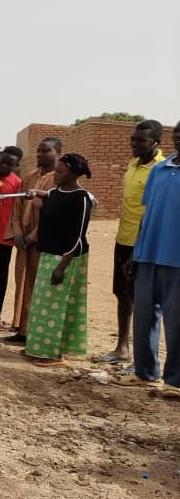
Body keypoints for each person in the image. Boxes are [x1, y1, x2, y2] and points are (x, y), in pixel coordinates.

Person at [94, 121, 166, 367]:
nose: (134, 144)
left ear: (156, 142)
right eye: (132, 139)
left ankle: (142, 360)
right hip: (123, 239)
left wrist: (138, 248)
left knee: (144, 300)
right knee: (122, 294)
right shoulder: (133, 164)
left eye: (140, 140)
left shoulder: (160, 169)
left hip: (145, 245)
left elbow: (153, 212)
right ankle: (122, 348)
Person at [122, 121, 180, 397]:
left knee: (176, 322)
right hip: (149, 255)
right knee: (144, 317)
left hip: (176, 260)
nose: (179, 138)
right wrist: (136, 252)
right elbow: (148, 214)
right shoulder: (160, 169)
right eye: (177, 133)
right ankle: (145, 373)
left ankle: (175, 381)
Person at [23, 154, 94, 367]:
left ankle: (53, 354)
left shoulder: (82, 198)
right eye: (56, 171)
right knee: (41, 306)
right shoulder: (56, 192)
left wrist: (61, 268)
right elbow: (51, 195)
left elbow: (78, 236)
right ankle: (38, 347)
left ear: (74, 173)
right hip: (48, 255)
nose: (56, 175)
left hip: (66, 259)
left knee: (55, 308)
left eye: (61, 172)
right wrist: (37, 192)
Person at [6, 138, 62, 343]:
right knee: (24, 284)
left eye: (45, 151)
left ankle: (38, 332)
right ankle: (23, 330)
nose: (39, 154)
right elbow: (17, 207)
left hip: (43, 242)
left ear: (57, 153)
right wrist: (17, 233)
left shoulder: (59, 179)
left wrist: (33, 236)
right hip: (24, 241)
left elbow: (53, 214)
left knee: (41, 285)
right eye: (38, 150)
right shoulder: (29, 177)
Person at [0, 146, 23, 330]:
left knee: (0, 278)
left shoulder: (17, 183)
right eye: (3, 162)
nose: (4, 166)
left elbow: (19, 211)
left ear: (16, 165)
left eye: (9, 164)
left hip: (4, 239)